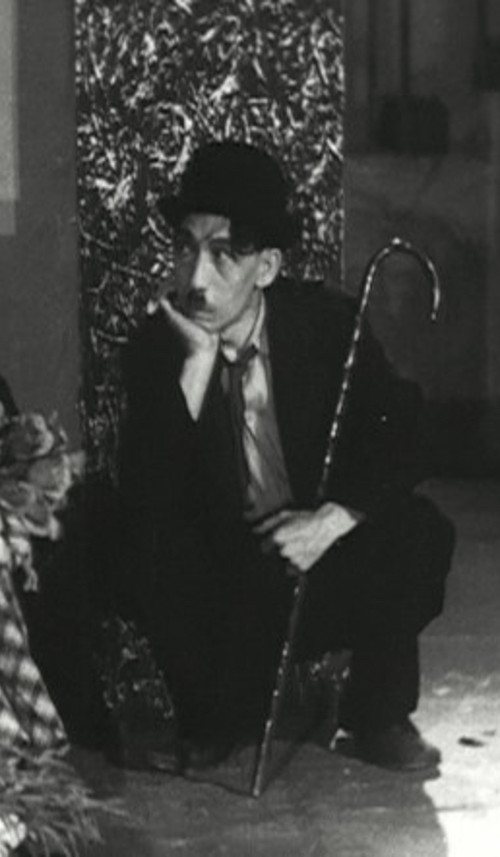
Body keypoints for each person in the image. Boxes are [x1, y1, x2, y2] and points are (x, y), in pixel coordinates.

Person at [118, 141, 455, 772]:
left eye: (224, 255)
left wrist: (330, 520)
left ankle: (378, 716)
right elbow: (147, 506)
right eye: (187, 248)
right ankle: (213, 719)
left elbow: (408, 434)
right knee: (132, 542)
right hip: (223, 585)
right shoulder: (155, 349)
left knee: (417, 529)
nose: (197, 279)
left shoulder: (326, 326)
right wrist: (195, 369)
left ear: (267, 266)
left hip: (316, 560)